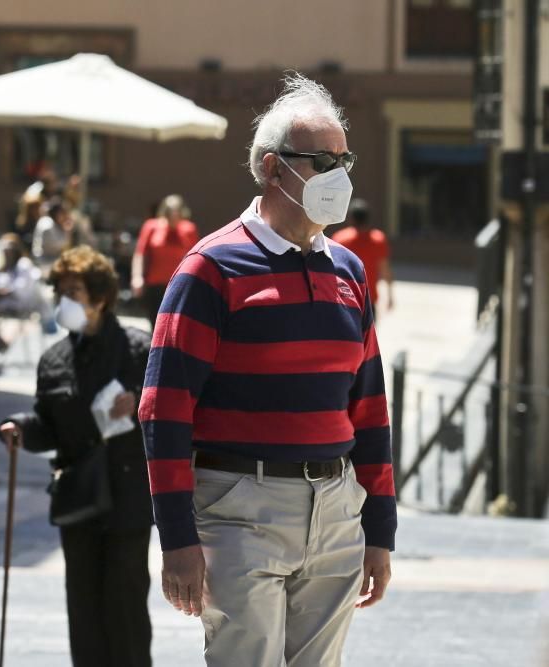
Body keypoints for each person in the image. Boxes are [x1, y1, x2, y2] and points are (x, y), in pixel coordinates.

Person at [139, 73, 395, 666]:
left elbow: (370, 408)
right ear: (272, 168)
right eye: (322, 159)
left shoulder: (349, 271)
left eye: (344, 157)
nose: (339, 173)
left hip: (335, 507)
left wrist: (378, 528)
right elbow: (164, 410)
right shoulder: (211, 268)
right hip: (238, 508)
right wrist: (177, 538)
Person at [0, 246, 154, 667]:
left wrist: (139, 402)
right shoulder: (54, 360)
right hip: (78, 499)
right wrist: (19, 429)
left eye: (75, 291)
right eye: (61, 291)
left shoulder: (139, 349)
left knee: (125, 613)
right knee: (83, 611)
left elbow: (174, 412)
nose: (65, 299)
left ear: (100, 296)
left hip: (126, 500)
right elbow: (46, 424)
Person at [131, 194, 200, 328]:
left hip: (178, 284)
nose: (173, 218)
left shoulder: (189, 229)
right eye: (170, 214)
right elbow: (140, 254)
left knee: (175, 324)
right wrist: (137, 277)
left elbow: (195, 258)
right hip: (155, 284)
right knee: (155, 323)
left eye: (177, 214)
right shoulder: (151, 227)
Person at [331, 198, 394, 311]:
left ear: (351, 219)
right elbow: (385, 270)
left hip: (344, 298)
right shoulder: (378, 239)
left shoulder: (340, 238)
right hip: (369, 299)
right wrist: (390, 296)